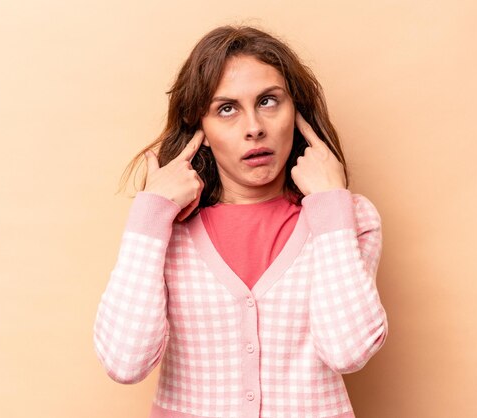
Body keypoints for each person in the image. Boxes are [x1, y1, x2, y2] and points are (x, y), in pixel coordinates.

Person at [93, 25, 388, 418]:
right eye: (226, 109)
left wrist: (330, 203)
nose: (254, 128)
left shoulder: (350, 218)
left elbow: (347, 350)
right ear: (201, 126)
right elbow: (125, 362)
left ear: (296, 111)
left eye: (268, 101)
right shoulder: (165, 228)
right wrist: (149, 214)